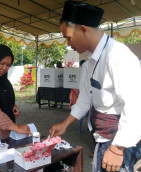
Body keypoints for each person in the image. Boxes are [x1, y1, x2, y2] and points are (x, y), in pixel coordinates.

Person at [49, 1, 141, 172]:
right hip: (102, 138)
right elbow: (85, 100)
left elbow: (136, 104)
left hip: (120, 141)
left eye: (68, 38)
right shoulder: (89, 63)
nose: (68, 44)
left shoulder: (117, 55)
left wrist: (117, 148)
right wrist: (65, 123)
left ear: (83, 29)